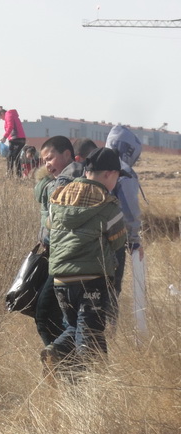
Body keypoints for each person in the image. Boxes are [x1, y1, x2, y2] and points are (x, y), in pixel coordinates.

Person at [42, 147, 127, 381]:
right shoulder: (108, 205)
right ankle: (95, 384)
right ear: (109, 174)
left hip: (60, 280)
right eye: (117, 176)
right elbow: (118, 242)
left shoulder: (59, 198)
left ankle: (56, 352)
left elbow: (48, 234)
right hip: (92, 280)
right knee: (91, 335)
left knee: (74, 326)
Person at [32, 136, 84, 348]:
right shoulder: (57, 182)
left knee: (45, 316)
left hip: (68, 259)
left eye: (50, 158)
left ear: (67, 154)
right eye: (44, 161)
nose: (47, 164)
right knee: (61, 318)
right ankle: (69, 362)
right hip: (60, 257)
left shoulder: (71, 183)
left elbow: (58, 224)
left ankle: (61, 359)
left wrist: (46, 236)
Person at [105, 125, 145, 327]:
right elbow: (130, 211)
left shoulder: (94, 164)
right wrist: (134, 239)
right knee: (111, 290)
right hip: (115, 240)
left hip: (85, 240)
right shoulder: (124, 172)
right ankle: (108, 336)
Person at [0, 106, 26, 177]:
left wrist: (4, 137)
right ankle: (19, 175)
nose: (2, 119)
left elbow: (10, 126)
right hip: (21, 139)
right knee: (17, 157)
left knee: (10, 157)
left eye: (1, 117)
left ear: (2, 113)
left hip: (16, 139)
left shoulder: (8, 115)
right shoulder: (12, 115)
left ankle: (9, 174)